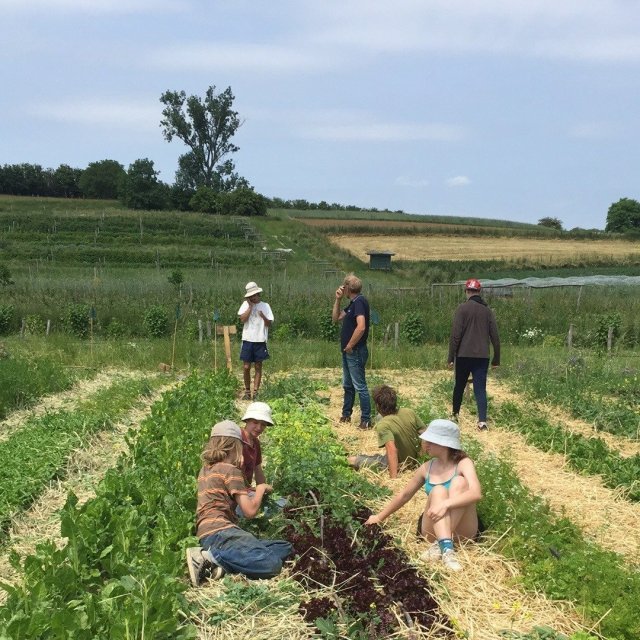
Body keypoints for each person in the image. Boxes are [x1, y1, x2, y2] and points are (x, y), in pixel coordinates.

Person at [365, 419, 481, 572]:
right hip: (433, 529)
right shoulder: (426, 468)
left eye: (430, 441)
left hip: (463, 532)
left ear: (444, 443)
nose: (426, 444)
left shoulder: (463, 463)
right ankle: (445, 546)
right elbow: (405, 495)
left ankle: (442, 545)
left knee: (460, 482)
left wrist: (446, 504)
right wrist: (379, 517)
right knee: (438, 490)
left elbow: (476, 493)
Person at [186, 420, 292, 586]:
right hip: (221, 532)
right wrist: (261, 488)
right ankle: (211, 558)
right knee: (272, 564)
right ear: (236, 446)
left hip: (207, 533)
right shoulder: (230, 470)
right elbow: (250, 512)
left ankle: (218, 566)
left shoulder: (206, 469)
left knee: (284, 546)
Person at [448, 278, 500, 430]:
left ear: (467, 291)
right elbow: (495, 338)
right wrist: (496, 359)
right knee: (480, 388)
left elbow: (455, 336)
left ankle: (455, 415)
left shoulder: (462, 309)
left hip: (463, 355)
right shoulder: (487, 311)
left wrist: (451, 357)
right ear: (479, 292)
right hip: (482, 357)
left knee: (459, 385)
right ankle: (482, 421)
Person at [348, 384, 426, 478]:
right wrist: (421, 457)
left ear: (377, 405)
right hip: (416, 461)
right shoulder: (409, 412)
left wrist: (393, 478)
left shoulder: (383, 425)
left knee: (352, 460)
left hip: (399, 464)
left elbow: (392, 450)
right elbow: (426, 434)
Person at [332, 274, 372, 429]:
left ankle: (366, 419)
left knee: (359, 385)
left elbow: (361, 326)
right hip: (348, 352)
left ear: (347, 288)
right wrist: (338, 299)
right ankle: (346, 414)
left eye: (344, 287)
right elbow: (336, 318)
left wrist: (350, 345)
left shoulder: (360, 302)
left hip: (354, 351)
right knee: (348, 385)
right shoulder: (352, 304)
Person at [238, 281, 274, 400]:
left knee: (258, 366)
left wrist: (263, 316)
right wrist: (250, 307)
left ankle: (256, 391)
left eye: (254, 295)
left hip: (260, 339)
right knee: (246, 366)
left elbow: (269, 323)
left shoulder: (265, 306)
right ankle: (247, 391)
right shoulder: (245, 305)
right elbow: (242, 319)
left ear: (258, 294)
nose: (253, 297)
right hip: (248, 339)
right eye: (250, 296)